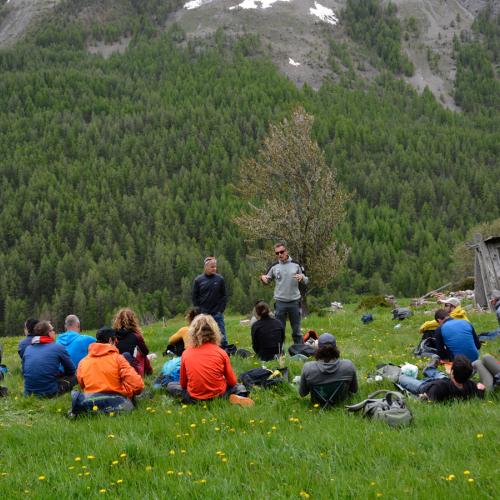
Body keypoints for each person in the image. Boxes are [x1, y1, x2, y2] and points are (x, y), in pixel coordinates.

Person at [166, 314, 253, 406]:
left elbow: (183, 384)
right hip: (219, 395)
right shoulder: (221, 352)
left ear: (192, 333)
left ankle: (188, 401)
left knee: (171, 385)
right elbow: (232, 382)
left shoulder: (186, 353)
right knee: (238, 386)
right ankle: (238, 396)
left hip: (194, 398)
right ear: (215, 332)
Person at [260, 242, 308, 345]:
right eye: (277, 253)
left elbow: (306, 280)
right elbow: (266, 280)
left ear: (286, 251)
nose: (279, 255)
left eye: (281, 252)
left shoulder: (296, 264)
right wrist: (262, 278)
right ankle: (279, 352)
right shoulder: (274, 267)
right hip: (280, 303)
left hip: (294, 302)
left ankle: (299, 351)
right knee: (279, 330)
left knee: (297, 331)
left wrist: (302, 277)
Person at [77, 327, 144, 400]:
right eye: (116, 340)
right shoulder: (118, 359)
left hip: (91, 402)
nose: (116, 343)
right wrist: (128, 391)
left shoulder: (82, 362)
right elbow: (138, 385)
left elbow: (82, 384)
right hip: (116, 401)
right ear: (110, 340)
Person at [22, 321, 76, 397]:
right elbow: (71, 370)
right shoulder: (58, 347)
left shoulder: (28, 348)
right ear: (48, 333)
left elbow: (24, 372)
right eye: (52, 330)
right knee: (75, 377)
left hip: (28, 393)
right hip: (50, 392)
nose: (54, 332)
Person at [397, 355, 485, 402]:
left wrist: (424, 397)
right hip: (445, 380)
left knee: (401, 377)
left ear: (452, 372)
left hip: (423, 386)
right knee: (440, 375)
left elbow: (428, 399)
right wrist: (481, 389)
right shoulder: (470, 386)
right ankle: (429, 369)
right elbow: (480, 390)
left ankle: (429, 369)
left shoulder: (439, 388)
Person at [299, 333, 358, 402]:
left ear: (318, 348)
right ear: (335, 348)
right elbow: (354, 390)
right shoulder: (348, 365)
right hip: (341, 401)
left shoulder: (308, 367)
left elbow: (302, 393)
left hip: (318, 403)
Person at [192, 257, 228, 346]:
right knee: (203, 335)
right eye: (212, 267)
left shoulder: (220, 279)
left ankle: (224, 351)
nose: (214, 269)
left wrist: (221, 310)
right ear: (206, 267)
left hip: (217, 313)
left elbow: (224, 296)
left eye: (215, 267)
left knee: (221, 335)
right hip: (203, 314)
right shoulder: (198, 280)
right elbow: (194, 297)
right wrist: (199, 310)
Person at [113, 308, 152, 377]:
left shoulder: (112, 336)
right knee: (141, 354)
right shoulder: (136, 336)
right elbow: (145, 352)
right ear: (133, 320)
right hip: (130, 369)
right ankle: (148, 372)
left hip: (115, 368)